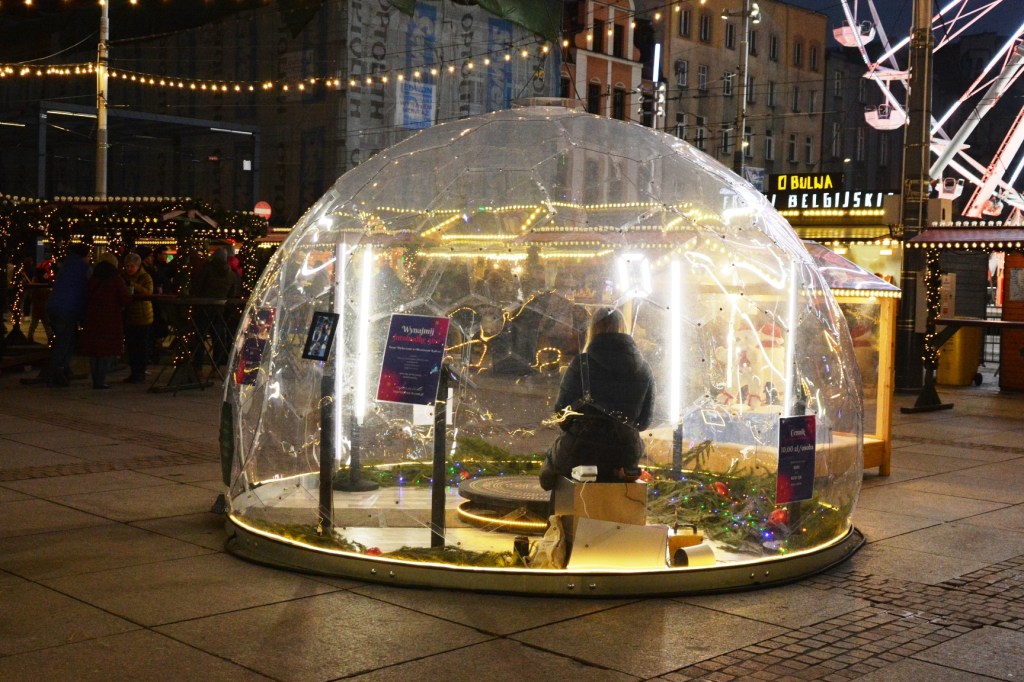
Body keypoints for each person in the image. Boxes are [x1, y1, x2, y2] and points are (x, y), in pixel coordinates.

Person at [539, 307, 655, 490]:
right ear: (624, 329)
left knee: (550, 469)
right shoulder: (644, 369)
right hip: (624, 455)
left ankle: (560, 507)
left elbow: (561, 413)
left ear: (592, 330)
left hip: (581, 450)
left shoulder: (582, 364)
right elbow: (643, 422)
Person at [80, 253, 132, 389]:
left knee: (94, 351)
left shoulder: (93, 279)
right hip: (110, 319)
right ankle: (101, 379)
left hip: (93, 319)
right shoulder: (116, 280)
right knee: (106, 351)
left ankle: (95, 379)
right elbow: (125, 299)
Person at [45, 243, 92, 387]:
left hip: (54, 306)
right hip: (67, 309)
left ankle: (61, 368)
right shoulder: (84, 269)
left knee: (65, 339)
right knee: (65, 340)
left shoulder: (66, 265)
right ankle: (58, 369)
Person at [191, 248, 242, 370]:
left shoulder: (207, 270)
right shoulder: (231, 274)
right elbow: (233, 292)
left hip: (204, 307)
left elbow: (198, 286)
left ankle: (198, 367)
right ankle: (216, 367)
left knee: (200, 337)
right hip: (219, 309)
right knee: (218, 338)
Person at [122, 252, 154, 383]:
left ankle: (140, 371)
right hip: (130, 315)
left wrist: (133, 285)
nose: (129, 269)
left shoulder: (145, 277)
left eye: (132, 266)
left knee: (141, 345)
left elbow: (148, 292)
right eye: (127, 266)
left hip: (142, 316)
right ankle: (134, 371)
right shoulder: (123, 277)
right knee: (132, 346)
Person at [27, 267, 52, 343]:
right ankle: (30, 337)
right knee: (35, 323)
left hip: (43, 306)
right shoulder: (37, 284)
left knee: (46, 324)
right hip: (38, 307)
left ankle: (50, 338)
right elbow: (36, 296)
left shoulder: (43, 282)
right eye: (45, 274)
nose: (46, 275)